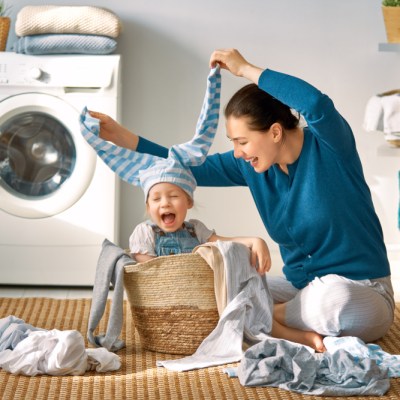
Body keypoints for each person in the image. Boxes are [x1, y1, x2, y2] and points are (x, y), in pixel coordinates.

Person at [86, 49, 395, 352]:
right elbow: (180, 166)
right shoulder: (251, 167)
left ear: (275, 132)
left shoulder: (330, 147)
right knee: (219, 284)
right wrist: (121, 136)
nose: (237, 152)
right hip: (300, 290)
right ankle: (266, 319)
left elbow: (316, 103)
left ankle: (256, 319)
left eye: (242, 142)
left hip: (361, 291)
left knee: (333, 300)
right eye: (233, 143)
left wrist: (245, 68)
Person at [80, 64, 271, 268]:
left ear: (189, 201)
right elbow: (147, 275)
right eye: (156, 198)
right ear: (148, 206)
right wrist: (118, 136)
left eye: (173, 196)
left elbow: (222, 242)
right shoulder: (145, 233)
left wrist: (253, 241)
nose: (165, 203)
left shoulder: (196, 230)